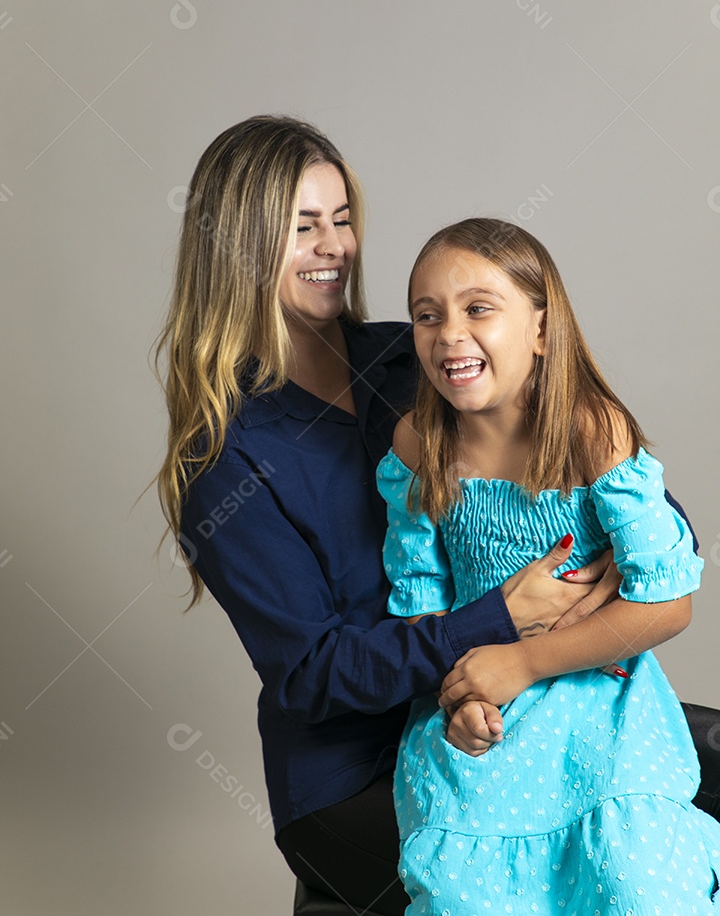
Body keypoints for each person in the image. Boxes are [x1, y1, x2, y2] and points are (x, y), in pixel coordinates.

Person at [153, 116, 693, 916]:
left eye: (341, 220)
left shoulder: (413, 356)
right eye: (303, 227)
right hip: (356, 769)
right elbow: (312, 675)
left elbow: (620, 498)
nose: (334, 246)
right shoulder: (227, 457)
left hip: (537, 703)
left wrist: (601, 578)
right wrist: (499, 621)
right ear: (237, 244)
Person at [378, 217, 720, 914]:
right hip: (478, 707)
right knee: (470, 896)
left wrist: (527, 663)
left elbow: (669, 602)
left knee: (638, 883)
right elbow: (422, 604)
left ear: (540, 329)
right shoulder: (417, 445)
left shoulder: (592, 433)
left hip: (602, 701)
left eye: (478, 308)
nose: (448, 334)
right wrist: (466, 696)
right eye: (426, 315)